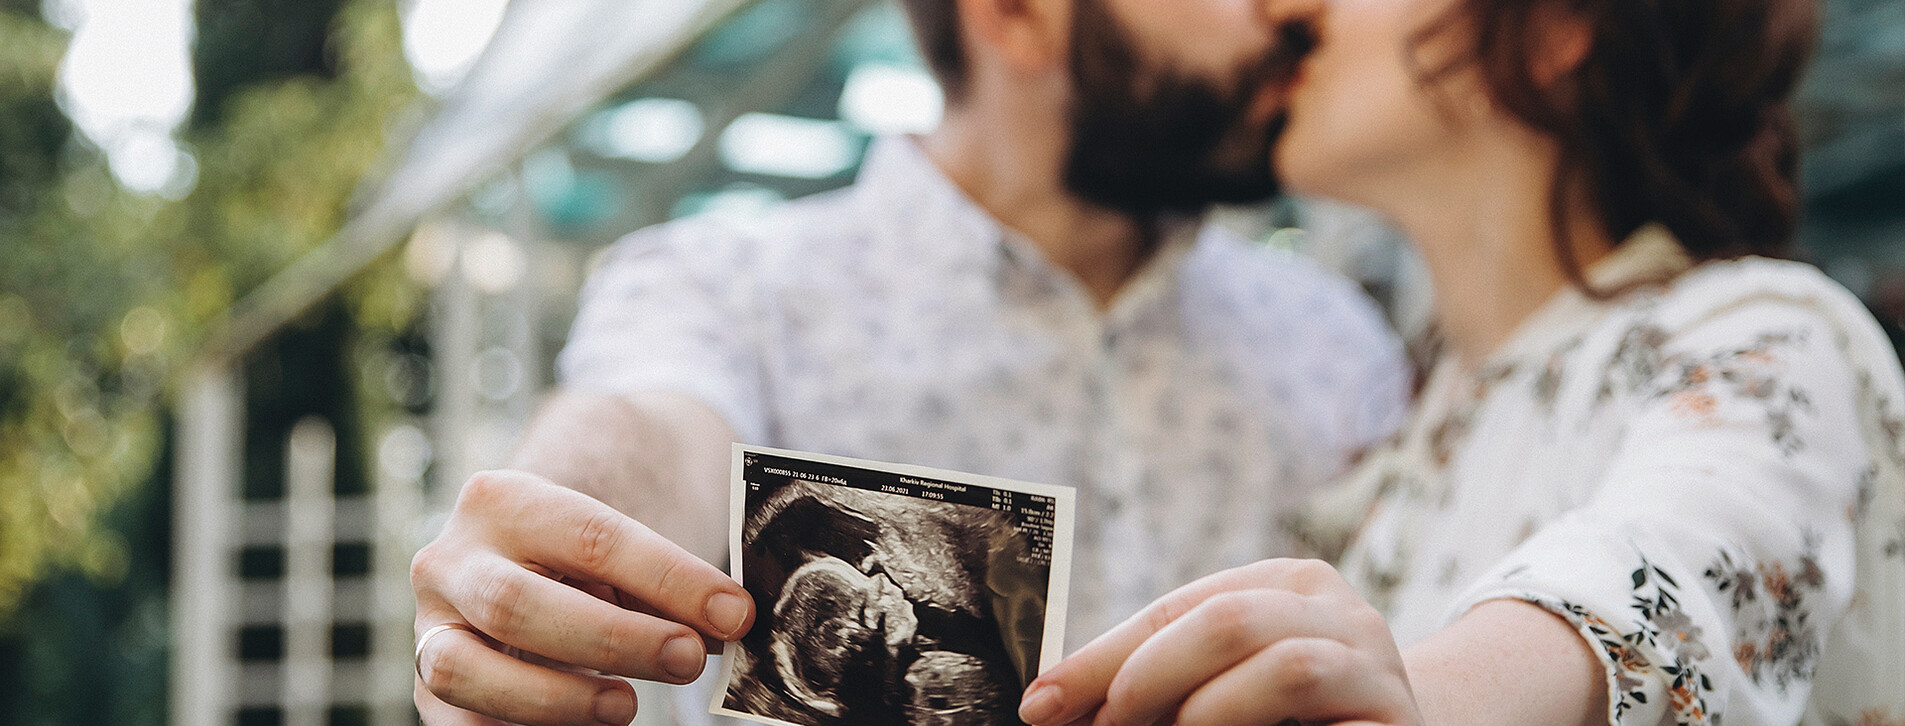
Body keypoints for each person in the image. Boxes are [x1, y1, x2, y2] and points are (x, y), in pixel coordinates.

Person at [408, 0, 1411, 723]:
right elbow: (650, 425)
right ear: (1016, 16)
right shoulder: (727, 289)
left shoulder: (1334, 341)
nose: (1293, 9)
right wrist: (549, 528)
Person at [1018, 0, 1905, 724]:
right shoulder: (1418, 409)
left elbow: (1685, 566)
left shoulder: (1765, 329)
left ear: (1558, 28)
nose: (1288, 9)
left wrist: (1422, 692)